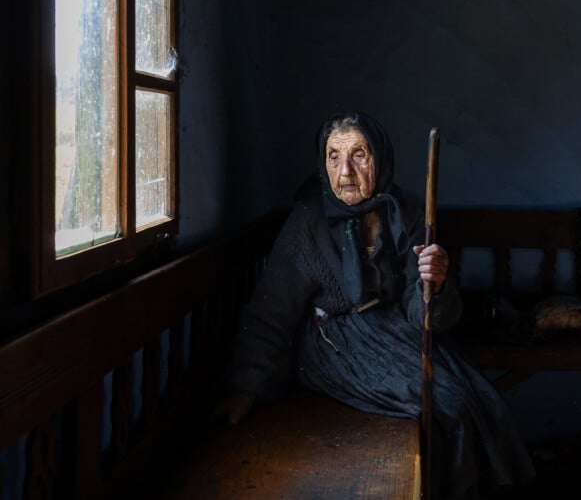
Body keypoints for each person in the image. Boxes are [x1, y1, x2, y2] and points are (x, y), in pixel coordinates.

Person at [217, 111, 535, 498]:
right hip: (335, 345)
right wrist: (244, 389)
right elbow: (272, 311)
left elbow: (426, 320)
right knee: (443, 409)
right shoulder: (308, 222)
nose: (345, 171)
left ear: (380, 159)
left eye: (359, 154)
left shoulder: (407, 216)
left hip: (395, 332)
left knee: (476, 400)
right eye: (333, 156)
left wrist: (435, 282)